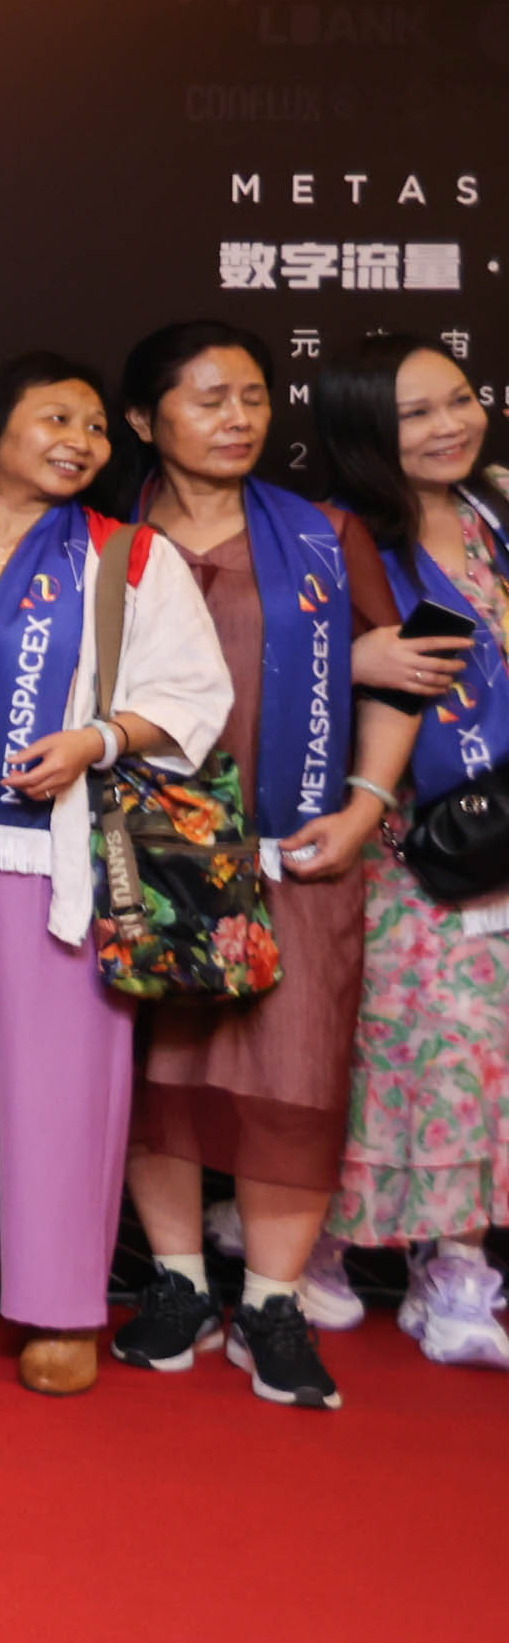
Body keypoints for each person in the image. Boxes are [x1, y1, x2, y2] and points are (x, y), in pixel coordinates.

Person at [0, 355, 232, 1396]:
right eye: (54, 419)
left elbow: (196, 692)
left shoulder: (127, 556)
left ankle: (61, 1300)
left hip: (53, 848)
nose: (80, 440)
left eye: (92, 425)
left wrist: (97, 738)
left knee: (58, 1084)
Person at [112, 321, 413, 1407]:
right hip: (147, 848)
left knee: (296, 1070)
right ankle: (180, 1284)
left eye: (251, 396)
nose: (238, 418)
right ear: (144, 421)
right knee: (156, 1069)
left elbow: (399, 677)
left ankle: (275, 1304)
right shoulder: (101, 541)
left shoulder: (325, 536)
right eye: (209, 400)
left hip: (297, 846)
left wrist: (365, 804)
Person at [315, 331, 509, 1371]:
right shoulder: (333, 537)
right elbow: (237, 664)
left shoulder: (496, 514)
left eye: (460, 399)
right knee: (403, 1060)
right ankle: (323, 1244)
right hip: (404, 848)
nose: (451, 426)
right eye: (418, 414)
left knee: (489, 1068)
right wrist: (355, 657)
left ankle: (459, 1270)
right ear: (364, 433)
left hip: (500, 837)